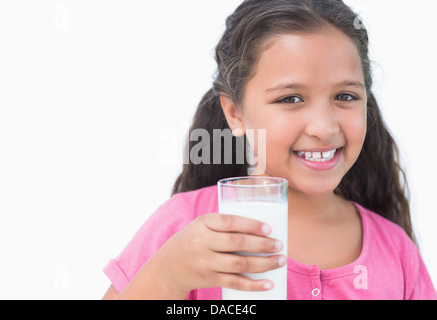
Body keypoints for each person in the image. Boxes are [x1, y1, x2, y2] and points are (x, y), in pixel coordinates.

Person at [102, 0, 436, 300]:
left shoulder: (396, 252)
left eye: (345, 96)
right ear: (235, 113)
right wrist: (167, 276)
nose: (324, 127)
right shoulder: (185, 228)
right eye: (290, 98)